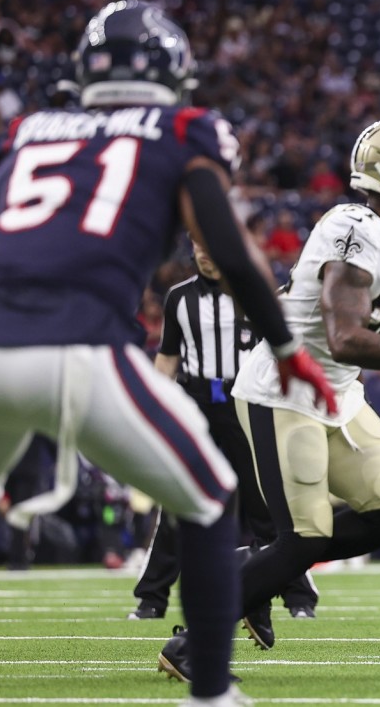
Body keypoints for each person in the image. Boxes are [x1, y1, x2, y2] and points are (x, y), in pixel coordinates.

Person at [0, 0, 335, 707]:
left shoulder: (32, 132)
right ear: (170, 72)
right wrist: (284, 344)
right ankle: (212, 690)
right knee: (212, 499)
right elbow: (233, 248)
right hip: (80, 346)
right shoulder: (184, 129)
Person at [161, 115, 380, 664]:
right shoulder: (356, 227)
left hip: (337, 392)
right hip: (283, 392)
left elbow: (315, 306)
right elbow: (345, 337)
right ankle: (196, 639)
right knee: (307, 538)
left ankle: (254, 572)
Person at [129, 239, 318, 621]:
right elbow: (167, 358)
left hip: (246, 401)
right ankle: (152, 598)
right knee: (179, 500)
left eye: (211, 244)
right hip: (197, 404)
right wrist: (151, 408)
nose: (206, 252)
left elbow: (283, 348)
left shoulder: (254, 291)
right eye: (200, 245)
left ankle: (299, 596)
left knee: (267, 503)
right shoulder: (178, 299)